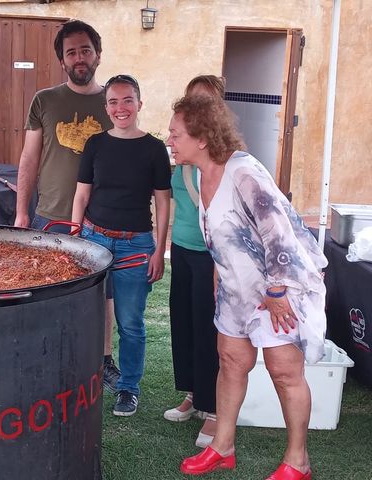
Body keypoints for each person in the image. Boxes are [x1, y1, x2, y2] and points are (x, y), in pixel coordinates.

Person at [167, 95, 327, 479]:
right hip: (237, 289)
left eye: (175, 134)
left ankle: (298, 461)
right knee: (231, 361)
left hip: (279, 288)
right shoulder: (198, 174)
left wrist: (276, 292)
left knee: (285, 370)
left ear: (201, 138)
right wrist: (222, 279)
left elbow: (279, 234)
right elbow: (225, 239)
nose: (170, 140)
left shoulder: (243, 171)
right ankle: (222, 447)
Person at [13, 20, 120, 393]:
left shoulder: (113, 102)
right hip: (50, 214)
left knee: (101, 293)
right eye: (71, 52)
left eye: (85, 50)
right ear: (62, 59)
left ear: (98, 55)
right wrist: (22, 212)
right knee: (44, 288)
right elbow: (29, 159)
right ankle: (43, 353)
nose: (79, 58)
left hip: (100, 218)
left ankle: (104, 360)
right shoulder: (44, 100)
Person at [72, 74, 171, 416]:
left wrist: (159, 249)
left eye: (127, 100)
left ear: (139, 104)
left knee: (130, 321)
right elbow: (82, 192)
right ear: (106, 108)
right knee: (88, 315)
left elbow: (162, 202)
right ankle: (87, 376)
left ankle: (128, 387)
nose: (120, 108)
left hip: (135, 246)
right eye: (113, 102)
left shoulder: (155, 149)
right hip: (93, 240)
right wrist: (75, 234)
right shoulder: (95, 144)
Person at [164, 75, 225, 448]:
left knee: (209, 330)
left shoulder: (220, 157)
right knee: (183, 324)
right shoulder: (182, 153)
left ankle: (214, 409)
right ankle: (191, 394)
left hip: (210, 257)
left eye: (204, 102)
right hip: (183, 249)